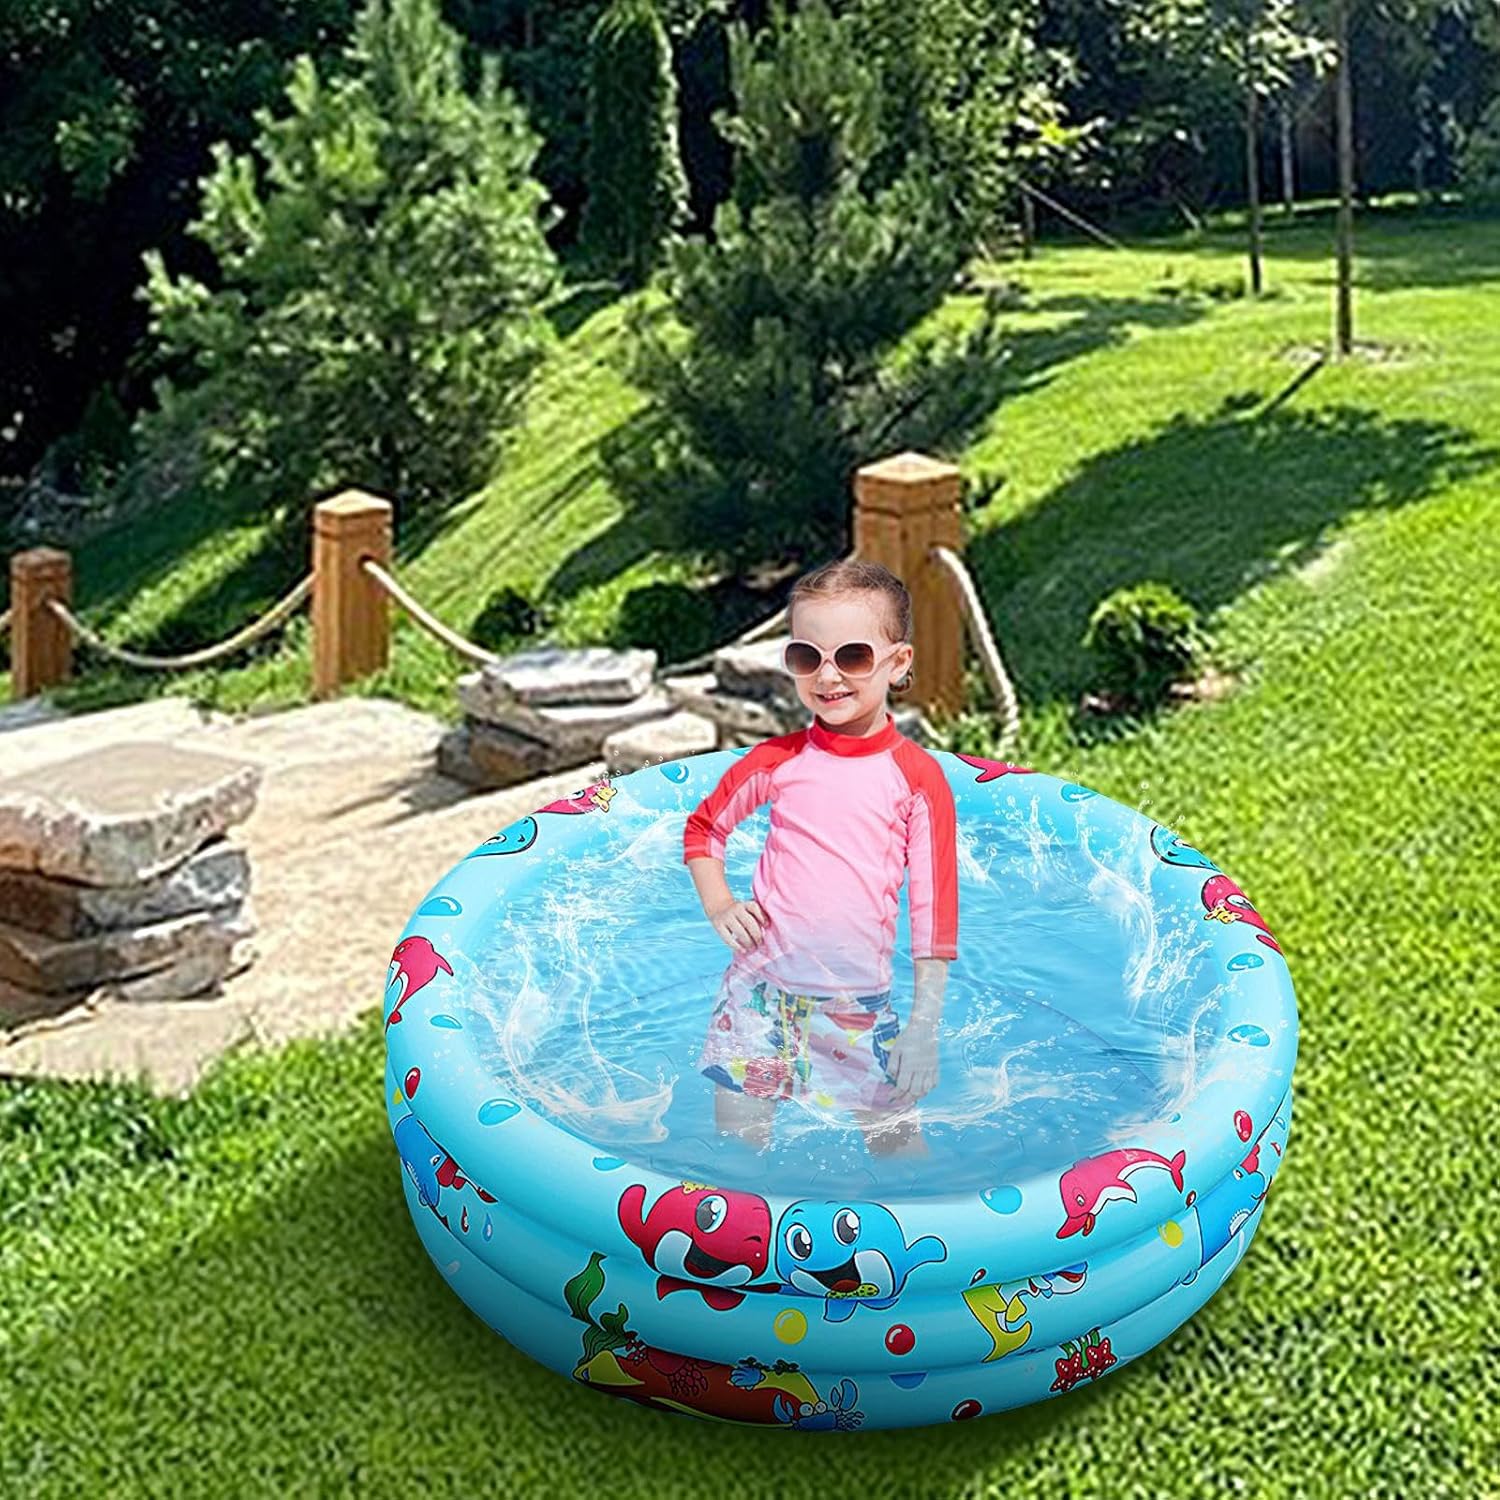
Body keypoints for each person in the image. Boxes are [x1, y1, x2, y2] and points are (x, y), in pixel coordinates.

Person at [683, 558, 959, 1158]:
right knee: (738, 1150)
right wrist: (720, 904)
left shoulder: (917, 778)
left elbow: (934, 915)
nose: (827, 676)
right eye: (806, 657)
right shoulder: (776, 761)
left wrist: (922, 1029)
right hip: (758, 993)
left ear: (898, 663)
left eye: (853, 657)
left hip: (855, 1005)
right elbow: (704, 829)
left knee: (897, 1149)